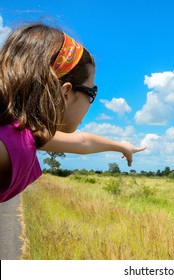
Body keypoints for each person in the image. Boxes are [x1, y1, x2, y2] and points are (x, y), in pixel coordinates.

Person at [0, 23, 146, 203]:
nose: (91, 103)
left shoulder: (21, 132)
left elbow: (83, 142)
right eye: (92, 93)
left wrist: (123, 146)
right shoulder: (12, 143)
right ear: (66, 92)